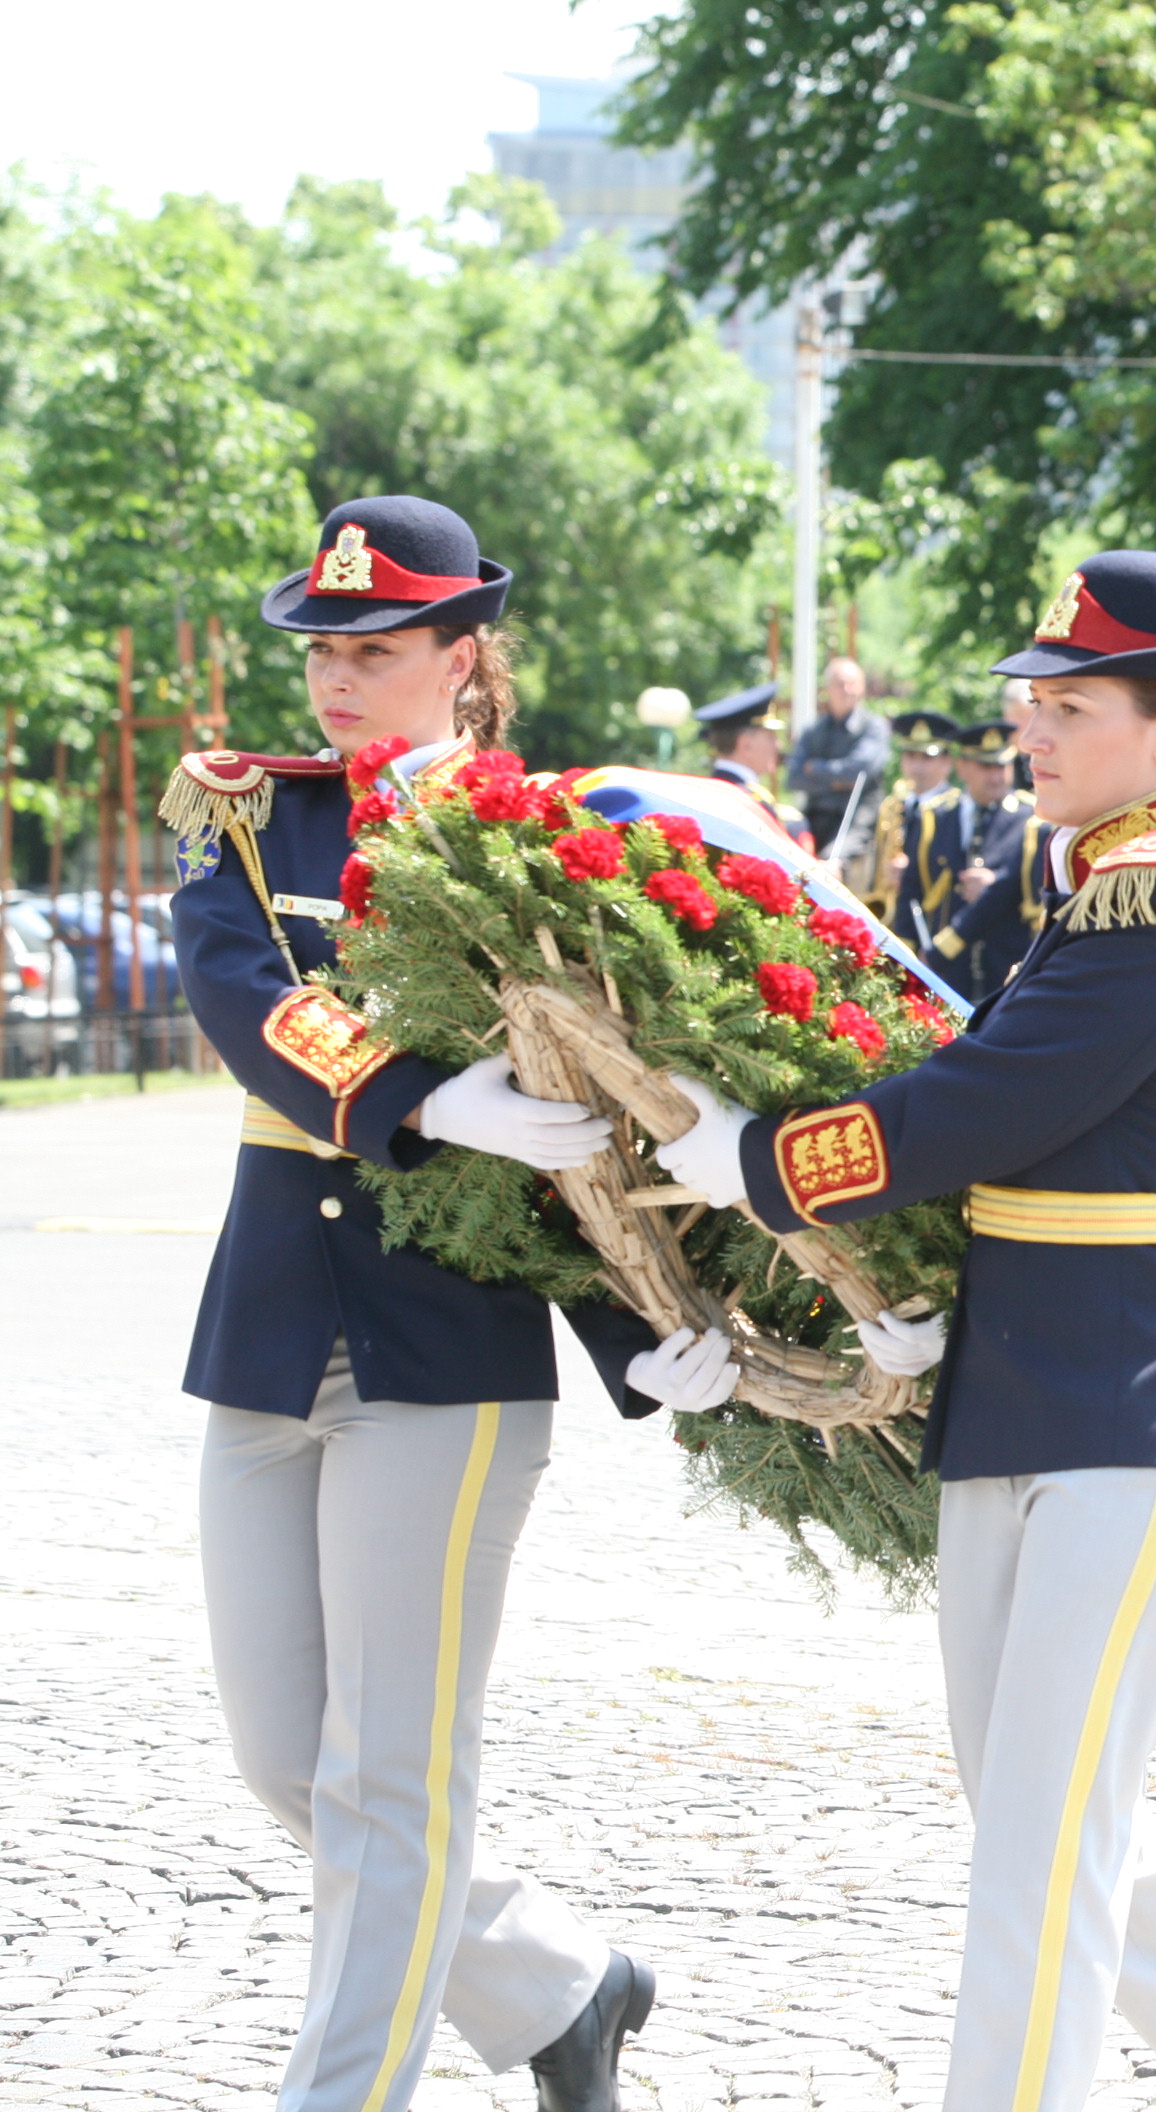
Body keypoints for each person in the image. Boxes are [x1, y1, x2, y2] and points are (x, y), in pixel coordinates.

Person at [655, 550, 1156, 2112]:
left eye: (1072, 705)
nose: (1031, 732)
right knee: (1028, 1798)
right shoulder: (1086, 883)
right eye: (1032, 704)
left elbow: (985, 1104)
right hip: (1038, 1392)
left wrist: (764, 1162)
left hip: (1139, 1409)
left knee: (1043, 1834)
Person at [164, 495, 722, 2112]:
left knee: (386, 1778)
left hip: (447, 1353)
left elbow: (597, 1123)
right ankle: (556, 1985)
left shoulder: (542, 851)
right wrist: (423, 1093)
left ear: (462, 659)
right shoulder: (253, 822)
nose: (335, 681)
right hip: (271, 1327)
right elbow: (239, 1000)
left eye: (377, 651)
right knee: (287, 1753)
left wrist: (648, 1339)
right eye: (321, 651)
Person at [934, 720, 1046, 1000]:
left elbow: (1017, 887)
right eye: (986, 767)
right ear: (962, 767)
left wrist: (995, 883)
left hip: (1005, 966)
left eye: (1002, 766)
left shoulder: (1031, 816)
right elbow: (915, 887)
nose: (996, 776)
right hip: (949, 970)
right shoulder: (937, 814)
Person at [873, 710, 971, 954]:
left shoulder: (955, 809)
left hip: (933, 920)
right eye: (910, 756)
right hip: (894, 915)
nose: (917, 766)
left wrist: (911, 870)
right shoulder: (895, 804)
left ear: (947, 762)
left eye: (927, 757)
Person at [787, 654, 893, 861]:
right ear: (827, 689)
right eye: (840, 684)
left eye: (852, 684)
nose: (847, 690)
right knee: (787, 852)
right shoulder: (813, 731)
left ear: (862, 688)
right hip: (816, 815)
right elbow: (793, 777)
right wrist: (837, 783)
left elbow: (860, 772)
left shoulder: (874, 727)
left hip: (858, 818)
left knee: (831, 861)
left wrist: (816, 769)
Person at [696, 684, 816, 851]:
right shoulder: (754, 803)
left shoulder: (700, 793)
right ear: (745, 745)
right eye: (771, 736)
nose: (778, 744)